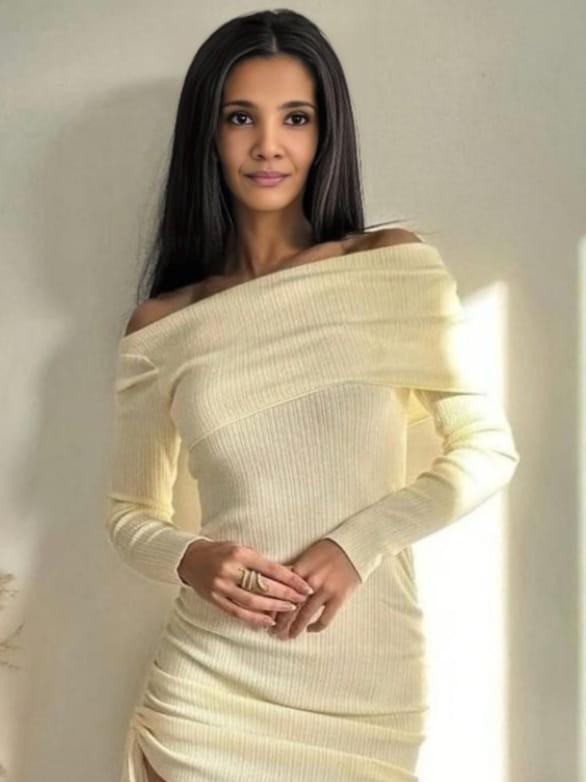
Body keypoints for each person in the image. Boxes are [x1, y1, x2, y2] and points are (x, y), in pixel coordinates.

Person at [104, 9, 520, 782]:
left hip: (365, 695)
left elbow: (488, 450)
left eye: (295, 117)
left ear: (326, 133)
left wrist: (357, 544)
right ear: (208, 134)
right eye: (241, 117)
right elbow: (129, 513)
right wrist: (190, 557)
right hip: (209, 695)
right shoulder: (163, 327)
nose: (269, 144)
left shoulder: (391, 265)